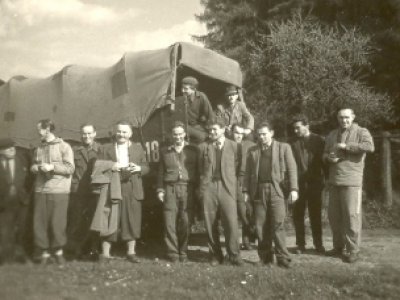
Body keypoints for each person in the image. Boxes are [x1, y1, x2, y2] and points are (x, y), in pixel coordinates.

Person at [243, 121, 298, 268]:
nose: (261, 137)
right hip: (258, 190)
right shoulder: (252, 151)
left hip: (276, 189)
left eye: (264, 134)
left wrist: (294, 189)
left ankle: (283, 257)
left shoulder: (283, 148)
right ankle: (265, 257)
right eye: (259, 134)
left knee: (278, 223)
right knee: (260, 225)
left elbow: (292, 169)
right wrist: (245, 191)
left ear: (271, 133)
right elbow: (247, 173)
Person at [323, 107, 374, 263]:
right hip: (334, 181)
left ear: (353, 117)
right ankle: (338, 247)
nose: (343, 120)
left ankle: (353, 250)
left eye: (346, 117)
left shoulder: (361, 131)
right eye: (340, 118)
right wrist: (328, 158)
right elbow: (324, 153)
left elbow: (369, 147)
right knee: (335, 217)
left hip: (352, 181)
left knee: (351, 216)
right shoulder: (332, 135)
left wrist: (348, 147)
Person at [95, 120, 149, 263]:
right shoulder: (106, 148)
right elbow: (98, 165)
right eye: (119, 131)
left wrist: (139, 169)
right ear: (114, 132)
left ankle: (131, 253)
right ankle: (105, 254)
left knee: (132, 218)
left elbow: (146, 166)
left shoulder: (138, 148)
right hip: (112, 185)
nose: (121, 134)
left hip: (131, 187)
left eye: (124, 132)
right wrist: (113, 165)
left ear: (130, 134)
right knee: (109, 218)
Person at [198, 117, 243, 266]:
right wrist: (204, 185)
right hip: (209, 187)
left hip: (227, 186)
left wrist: (234, 185)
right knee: (210, 223)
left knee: (231, 222)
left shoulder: (234, 146)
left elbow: (239, 168)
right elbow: (200, 168)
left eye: (214, 129)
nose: (211, 132)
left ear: (223, 130)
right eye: (210, 130)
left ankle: (234, 255)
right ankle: (215, 255)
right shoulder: (203, 147)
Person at [30, 119, 75, 264]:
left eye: (40, 130)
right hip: (40, 190)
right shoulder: (38, 148)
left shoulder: (64, 147)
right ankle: (44, 254)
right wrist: (35, 168)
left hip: (59, 191)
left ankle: (58, 252)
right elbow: (33, 166)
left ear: (48, 129)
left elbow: (70, 168)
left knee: (58, 223)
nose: (38, 133)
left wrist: (52, 167)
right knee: (40, 223)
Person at [157, 121, 198, 263]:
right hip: (170, 188)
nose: (178, 137)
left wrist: (198, 190)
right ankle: (173, 253)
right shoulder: (165, 151)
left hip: (187, 188)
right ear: (171, 135)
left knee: (186, 221)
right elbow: (161, 172)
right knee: (170, 221)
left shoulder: (193, 150)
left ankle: (183, 251)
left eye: (180, 134)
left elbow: (198, 171)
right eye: (175, 134)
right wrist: (160, 189)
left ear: (185, 134)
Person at [289, 115, 327, 254]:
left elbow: (325, 162)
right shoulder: (291, 142)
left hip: (315, 183)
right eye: (294, 128)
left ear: (307, 126)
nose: (296, 131)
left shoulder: (320, 141)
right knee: (298, 214)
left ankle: (318, 244)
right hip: (298, 184)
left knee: (315, 214)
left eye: (298, 127)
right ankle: (300, 244)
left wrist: (326, 180)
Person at [68, 124, 101, 260]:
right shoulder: (75, 150)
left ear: (95, 134)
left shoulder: (101, 149)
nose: (86, 136)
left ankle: (94, 249)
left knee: (95, 220)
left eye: (89, 133)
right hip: (79, 191)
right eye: (84, 134)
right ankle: (78, 249)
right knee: (78, 220)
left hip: (95, 190)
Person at [0, 138, 31, 264]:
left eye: (13, 146)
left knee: (22, 229)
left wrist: (25, 193)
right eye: (8, 148)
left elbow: (30, 179)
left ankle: (21, 255)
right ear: (1, 151)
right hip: (3, 204)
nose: (12, 149)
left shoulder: (22, 159)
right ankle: (8, 259)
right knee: (6, 231)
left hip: (21, 201)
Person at [231, 123, 256, 250]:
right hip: (231, 181)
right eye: (236, 132)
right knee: (238, 211)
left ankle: (247, 239)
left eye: (241, 133)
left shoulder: (251, 146)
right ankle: (239, 240)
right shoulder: (227, 144)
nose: (239, 136)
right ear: (231, 132)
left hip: (246, 181)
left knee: (247, 210)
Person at [174, 76, 214, 143]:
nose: (182, 90)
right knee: (201, 136)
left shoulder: (201, 97)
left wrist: (212, 128)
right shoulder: (178, 97)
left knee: (208, 135)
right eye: (182, 88)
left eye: (186, 89)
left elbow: (210, 115)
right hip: (183, 125)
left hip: (197, 125)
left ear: (194, 89)